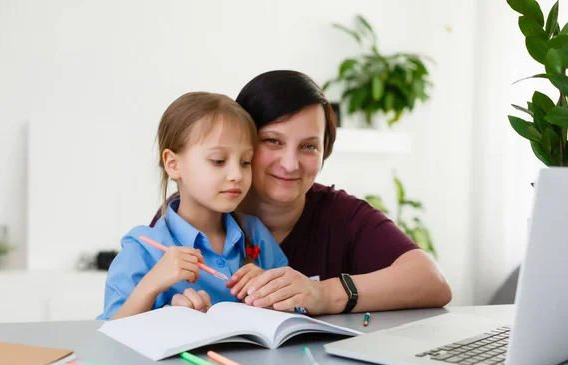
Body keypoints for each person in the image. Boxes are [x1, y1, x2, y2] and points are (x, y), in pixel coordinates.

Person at [154, 71, 452, 316]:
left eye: (309, 146)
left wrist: (324, 294)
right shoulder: (193, 211)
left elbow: (432, 281)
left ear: (325, 154)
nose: (289, 164)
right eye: (272, 141)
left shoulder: (342, 216)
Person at [98, 92, 287, 320]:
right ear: (173, 164)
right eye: (218, 161)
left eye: (245, 162)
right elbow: (109, 336)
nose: (237, 174)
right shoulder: (143, 249)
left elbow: (294, 312)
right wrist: (151, 286)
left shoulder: (256, 234)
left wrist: (270, 292)